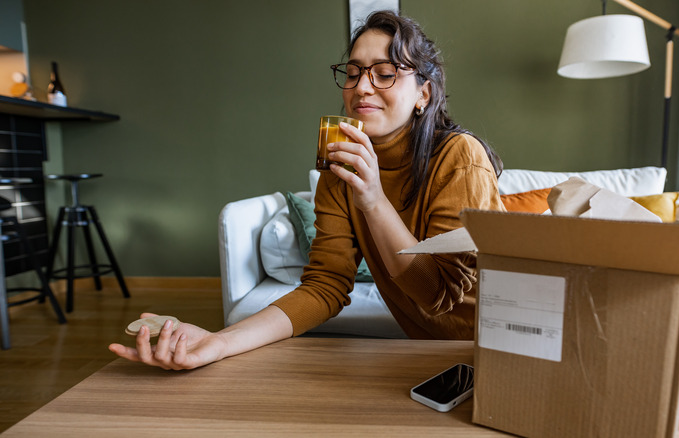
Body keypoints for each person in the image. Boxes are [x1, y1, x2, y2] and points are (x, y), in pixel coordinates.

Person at [109, 10, 504, 370]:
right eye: (353, 72)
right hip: (425, 355)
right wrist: (219, 342)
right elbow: (324, 286)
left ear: (423, 94)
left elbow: (437, 295)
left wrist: (373, 200)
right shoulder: (339, 166)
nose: (362, 87)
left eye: (384, 72)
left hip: (496, 346)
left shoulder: (459, 157)